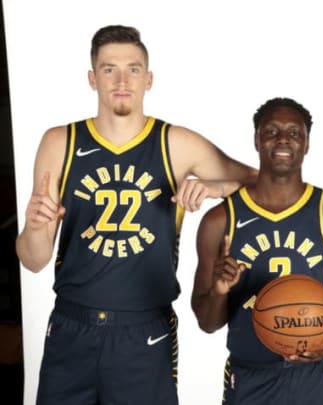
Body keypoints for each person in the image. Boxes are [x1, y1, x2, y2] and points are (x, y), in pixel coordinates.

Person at [15, 25, 257, 405]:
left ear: (149, 79)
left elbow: (260, 183)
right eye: (109, 69)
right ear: (93, 79)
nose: (122, 80)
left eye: (133, 68)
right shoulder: (59, 142)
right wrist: (32, 228)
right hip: (71, 327)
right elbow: (33, 260)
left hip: (144, 330)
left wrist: (215, 188)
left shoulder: (176, 144)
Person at [191, 97, 323, 405]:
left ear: (307, 143)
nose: (283, 138)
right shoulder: (220, 221)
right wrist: (219, 291)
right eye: (271, 131)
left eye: (294, 132)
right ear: (256, 140)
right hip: (250, 375)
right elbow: (207, 323)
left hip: (319, 376)